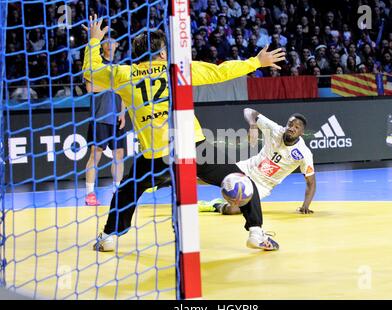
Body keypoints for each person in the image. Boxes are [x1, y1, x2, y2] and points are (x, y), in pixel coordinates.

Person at [82, 15, 285, 252]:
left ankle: (108, 237)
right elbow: (220, 72)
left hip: (155, 157)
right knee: (243, 179)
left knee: (127, 190)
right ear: (162, 54)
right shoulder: (178, 70)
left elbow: (91, 72)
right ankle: (256, 233)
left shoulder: (123, 75)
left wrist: (94, 41)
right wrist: (255, 62)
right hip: (193, 149)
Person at [198, 108, 316, 215]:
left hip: (262, 185)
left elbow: (311, 182)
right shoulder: (275, 130)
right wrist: (253, 125)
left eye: (297, 127)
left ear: (302, 133)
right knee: (205, 178)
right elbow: (249, 111)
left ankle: (214, 205)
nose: (292, 128)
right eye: (290, 124)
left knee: (233, 210)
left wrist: (305, 206)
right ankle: (183, 186)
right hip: (247, 168)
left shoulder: (304, 154)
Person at [84, 29, 126, 206]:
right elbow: (90, 87)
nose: (109, 44)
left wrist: (123, 113)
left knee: (119, 155)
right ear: (101, 45)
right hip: (100, 116)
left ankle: (118, 190)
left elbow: (124, 91)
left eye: (113, 41)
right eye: (106, 41)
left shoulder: (120, 66)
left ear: (117, 45)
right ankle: (90, 193)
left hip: (117, 117)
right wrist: (111, 85)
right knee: (96, 154)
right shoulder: (96, 63)